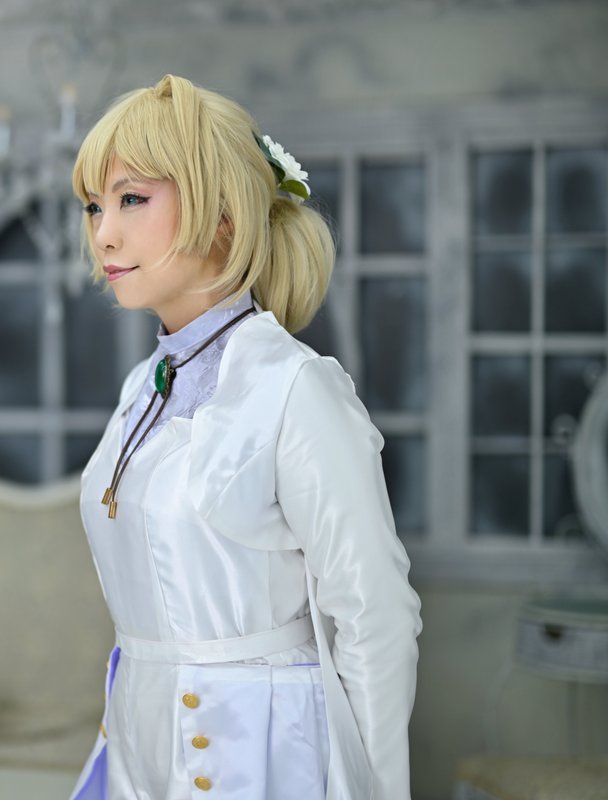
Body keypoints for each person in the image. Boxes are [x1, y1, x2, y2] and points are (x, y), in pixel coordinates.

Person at [67, 75, 422, 800]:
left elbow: (376, 617)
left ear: (223, 214)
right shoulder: (142, 389)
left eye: (132, 199)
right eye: (95, 205)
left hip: (260, 752)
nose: (103, 233)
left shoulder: (295, 389)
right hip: (138, 744)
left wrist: (375, 789)